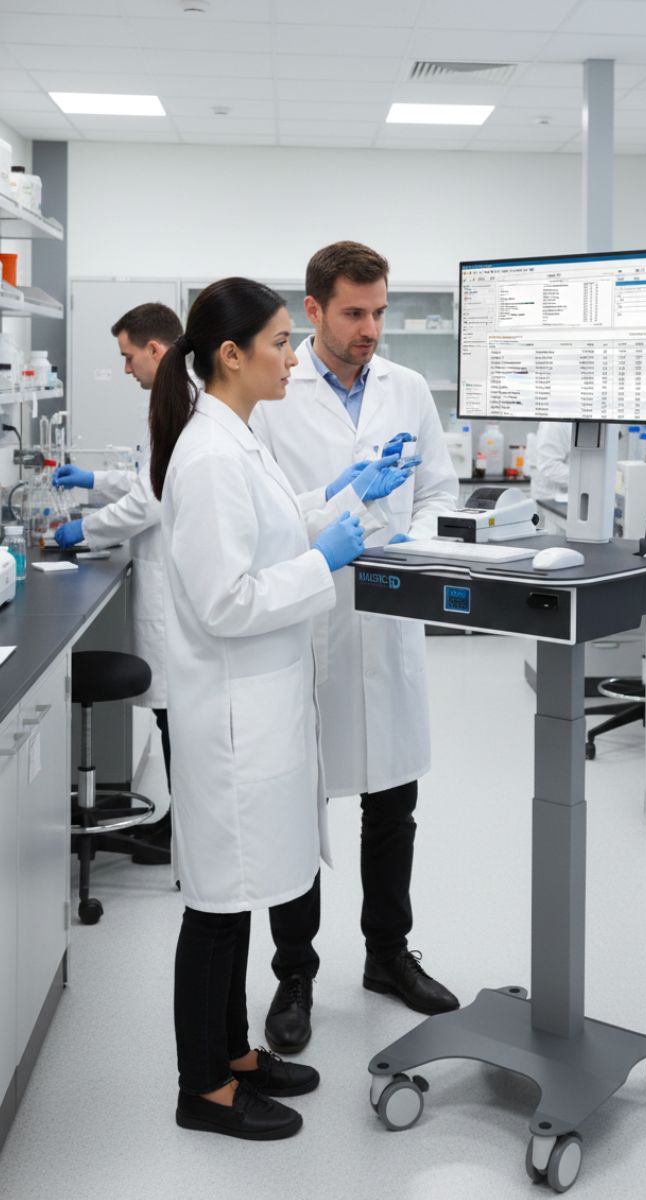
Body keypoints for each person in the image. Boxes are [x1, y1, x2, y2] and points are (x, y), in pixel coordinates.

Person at [149, 276, 410, 1140]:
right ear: (231, 356)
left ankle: (235, 1055)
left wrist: (341, 494)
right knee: (219, 908)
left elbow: (272, 527)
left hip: (258, 709)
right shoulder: (212, 454)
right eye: (276, 343)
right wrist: (325, 562)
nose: (290, 358)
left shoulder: (237, 438)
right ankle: (204, 1090)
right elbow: (228, 599)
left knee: (239, 895)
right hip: (231, 719)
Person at [250, 241, 460, 1055]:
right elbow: (264, 516)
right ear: (312, 311)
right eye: (353, 313)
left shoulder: (406, 390)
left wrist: (413, 536)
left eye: (378, 312)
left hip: (387, 618)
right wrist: (332, 515)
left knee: (392, 804)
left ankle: (385, 954)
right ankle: (294, 974)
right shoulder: (272, 393)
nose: (371, 328)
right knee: (298, 805)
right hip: (305, 618)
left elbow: (440, 490)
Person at [54, 303, 183, 862]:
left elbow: (150, 501)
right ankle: (178, 826)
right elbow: (143, 479)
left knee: (176, 718)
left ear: (156, 350)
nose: (126, 367)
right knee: (172, 717)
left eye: (129, 356)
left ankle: (182, 831)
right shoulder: (173, 400)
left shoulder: (180, 405)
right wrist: (92, 481)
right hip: (168, 579)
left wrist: (84, 527)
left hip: (175, 588)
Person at [531, 422, 573, 500]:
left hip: (571, 496)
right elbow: (549, 465)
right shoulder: (554, 424)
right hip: (552, 498)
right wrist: (585, 480)